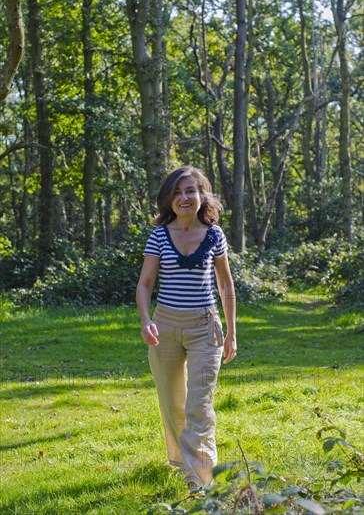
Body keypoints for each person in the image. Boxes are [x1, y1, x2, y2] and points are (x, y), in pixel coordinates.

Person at [136, 166, 236, 492]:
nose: (184, 198)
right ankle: (182, 461)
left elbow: (226, 286)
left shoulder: (214, 235)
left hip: (205, 327)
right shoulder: (159, 236)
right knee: (173, 402)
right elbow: (145, 284)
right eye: (178, 192)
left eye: (190, 191)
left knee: (199, 405)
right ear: (169, 198)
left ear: (201, 195)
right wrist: (145, 319)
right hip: (164, 326)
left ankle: (200, 481)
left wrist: (231, 332)